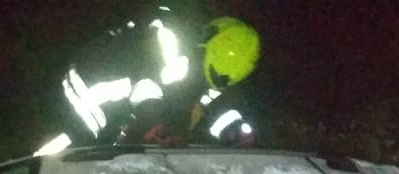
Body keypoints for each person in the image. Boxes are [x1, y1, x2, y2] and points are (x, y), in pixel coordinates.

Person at [34, 9, 261, 155]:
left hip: (122, 107)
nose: (217, 82)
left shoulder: (206, 72)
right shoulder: (172, 48)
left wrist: (235, 131)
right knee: (75, 147)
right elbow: (147, 89)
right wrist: (158, 129)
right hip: (90, 90)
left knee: (112, 154)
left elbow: (208, 103)